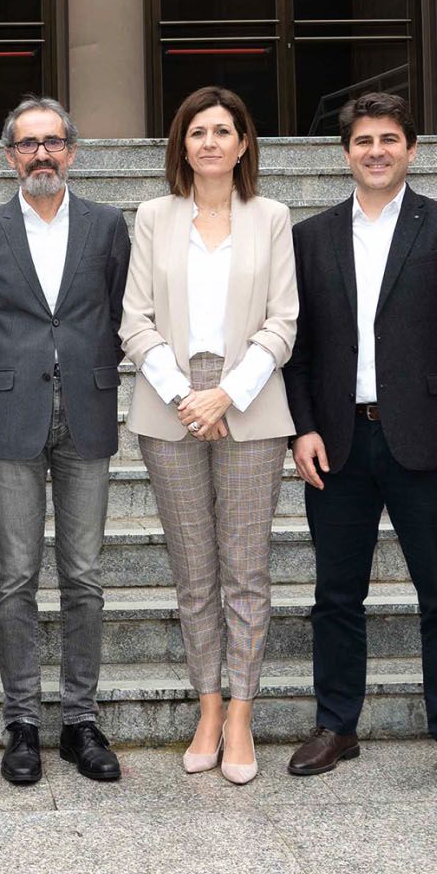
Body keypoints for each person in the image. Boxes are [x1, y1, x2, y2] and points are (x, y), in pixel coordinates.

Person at [281, 92, 437, 794]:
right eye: (363, 140)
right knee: (335, 594)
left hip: (426, 442)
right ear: (345, 152)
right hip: (338, 441)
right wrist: (302, 427)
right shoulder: (310, 237)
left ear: (411, 148)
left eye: (389, 139)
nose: (376, 151)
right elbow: (298, 349)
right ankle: (335, 725)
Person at [118, 86, 297, 786]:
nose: (211, 142)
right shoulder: (153, 216)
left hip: (250, 401)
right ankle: (208, 707)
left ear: (244, 143)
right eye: (197, 132)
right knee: (194, 572)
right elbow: (134, 320)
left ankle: (242, 714)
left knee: (245, 571)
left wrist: (227, 393)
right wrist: (185, 396)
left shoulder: (271, 217)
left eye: (223, 130)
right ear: (182, 145)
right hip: (170, 404)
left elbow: (283, 320)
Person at [0, 96, 131, 785]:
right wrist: (0, 380)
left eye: (52, 142)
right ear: (9, 156)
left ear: (72, 151)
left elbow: (121, 312)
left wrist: (88, 368)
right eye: (27, 144)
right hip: (13, 416)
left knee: (84, 576)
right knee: (15, 578)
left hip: (88, 411)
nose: (41, 154)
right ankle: (22, 722)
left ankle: (80, 720)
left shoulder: (107, 225)